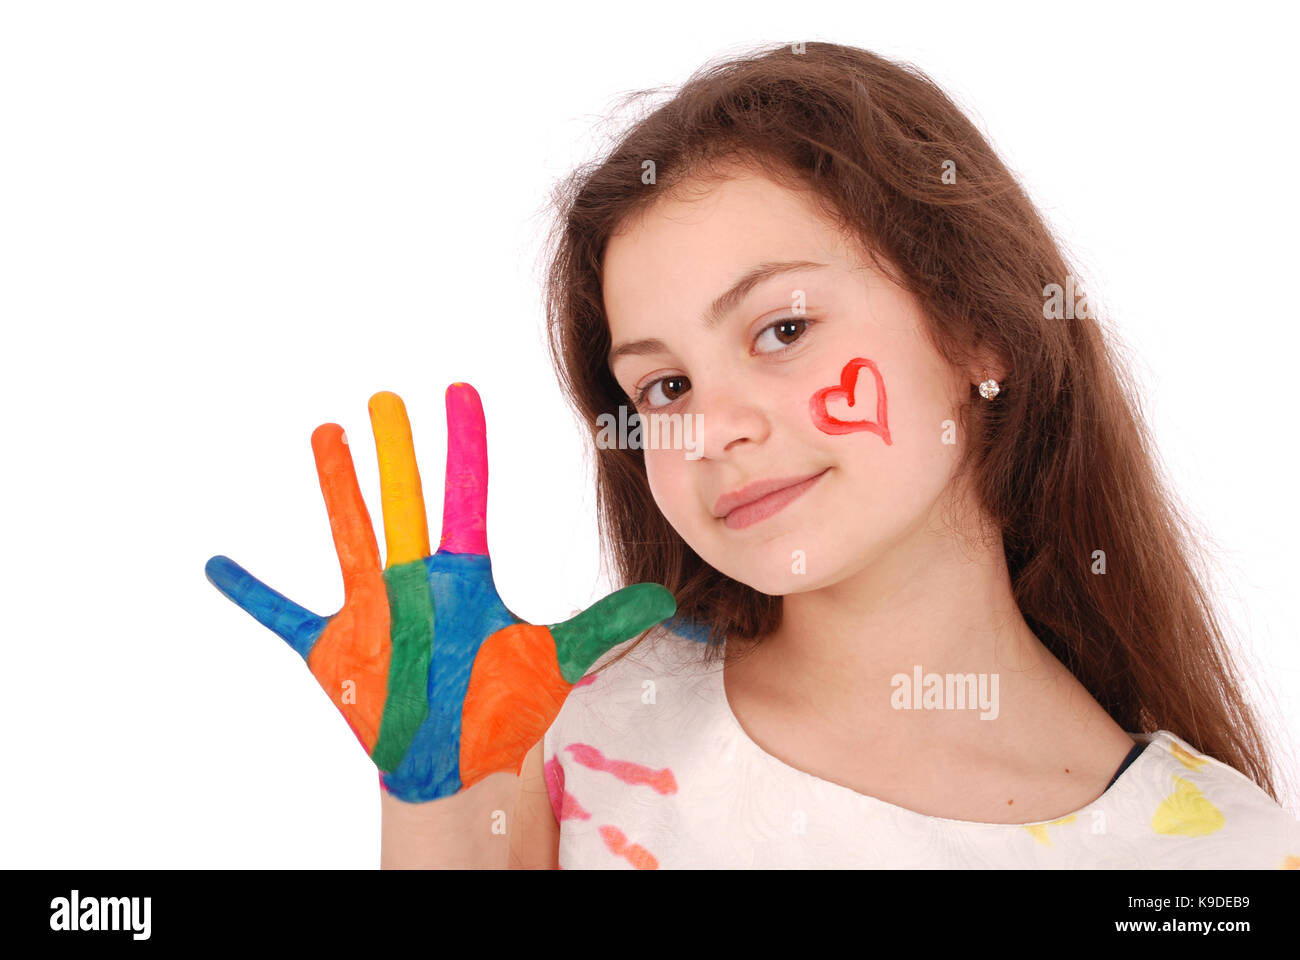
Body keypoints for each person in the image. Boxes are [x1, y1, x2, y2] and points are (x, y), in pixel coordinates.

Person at [207, 41, 1300, 868]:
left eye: (781, 330)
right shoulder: (578, 725)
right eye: (665, 386)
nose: (715, 425)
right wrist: (436, 791)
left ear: (980, 330)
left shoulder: (1214, 858)